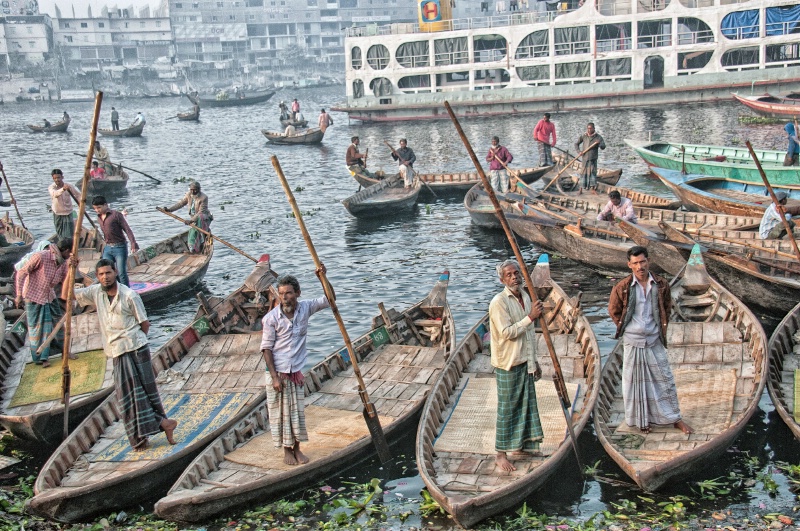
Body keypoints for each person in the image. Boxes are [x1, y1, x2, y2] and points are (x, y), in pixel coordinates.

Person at [70, 258, 178, 451]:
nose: (105, 277)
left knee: (147, 394)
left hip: (136, 348)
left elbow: (144, 324)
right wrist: (70, 268)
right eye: (101, 274)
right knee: (128, 399)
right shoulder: (95, 293)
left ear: (116, 273)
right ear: (97, 276)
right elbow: (67, 295)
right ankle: (161, 425)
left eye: (108, 273)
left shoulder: (129, 295)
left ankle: (151, 432)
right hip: (117, 351)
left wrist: (134, 344)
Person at [608, 246, 693, 435]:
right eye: (635, 263)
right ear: (629, 265)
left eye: (643, 262)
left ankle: (674, 418)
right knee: (635, 383)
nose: (640, 266)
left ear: (648, 261)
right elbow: (614, 311)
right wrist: (629, 328)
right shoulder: (622, 287)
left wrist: (657, 328)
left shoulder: (661, 284)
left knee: (665, 380)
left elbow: (666, 308)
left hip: (654, 339)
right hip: (633, 341)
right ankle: (642, 421)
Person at [260, 268, 330, 465]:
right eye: (281, 294)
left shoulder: (305, 308)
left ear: (297, 293)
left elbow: (329, 298)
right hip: (278, 373)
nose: (285, 298)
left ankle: (297, 448)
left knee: (297, 413)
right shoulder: (271, 319)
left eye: (289, 293)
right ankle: (286, 451)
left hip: (295, 372)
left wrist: (322, 277)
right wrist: (274, 377)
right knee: (281, 414)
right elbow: (266, 349)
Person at [488, 259, 544, 472]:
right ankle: (500, 454)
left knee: (526, 405)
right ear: (502, 279)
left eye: (516, 273)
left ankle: (521, 445)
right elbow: (506, 333)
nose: (514, 277)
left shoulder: (525, 296)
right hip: (508, 363)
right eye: (509, 275)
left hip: (524, 359)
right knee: (507, 408)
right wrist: (531, 317)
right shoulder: (499, 302)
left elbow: (529, 333)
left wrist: (534, 361)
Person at [15, 238, 73, 367]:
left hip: (49, 296)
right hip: (33, 295)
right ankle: (41, 358)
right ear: (67, 250)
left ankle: (65, 351)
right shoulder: (41, 256)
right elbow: (21, 273)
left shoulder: (63, 262)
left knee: (58, 323)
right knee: (38, 328)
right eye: (71, 253)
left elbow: (66, 279)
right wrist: (18, 295)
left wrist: (73, 267)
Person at [93, 195, 139, 287]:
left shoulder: (116, 215)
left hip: (120, 247)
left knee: (121, 272)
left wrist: (133, 243)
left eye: (99, 207)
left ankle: (126, 291)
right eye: (95, 208)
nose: (97, 210)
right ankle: (113, 289)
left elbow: (127, 230)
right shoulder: (99, 218)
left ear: (105, 205)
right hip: (108, 248)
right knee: (107, 270)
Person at [162, 181, 212, 253]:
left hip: (203, 218)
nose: (193, 191)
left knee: (194, 230)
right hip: (194, 219)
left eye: (195, 189)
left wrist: (191, 221)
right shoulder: (189, 195)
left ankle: (194, 249)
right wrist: (170, 210)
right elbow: (181, 203)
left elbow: (201, 212)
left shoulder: (204, 198)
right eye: (191, 189)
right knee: (194, 231)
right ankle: (194, 248)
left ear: (199, 189)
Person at [49, 169, 80, 241]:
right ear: (53, 178)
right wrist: (63, 189)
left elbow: (78, 195)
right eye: (55, 178)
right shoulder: (51, 187)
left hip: (68, 213)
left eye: (58, 177)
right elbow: (55, 194)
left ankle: (70, 246)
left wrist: (80, 203)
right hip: (57, 213)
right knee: (60, 234)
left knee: (69, 234)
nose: (57, 180)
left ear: (62, 177)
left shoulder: (69, 186)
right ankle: (63, 246)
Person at [575, 122, 606, 191]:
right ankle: (581, 189)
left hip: (593, 159)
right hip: (585, 158)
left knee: (592, 173)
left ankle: (593, 189)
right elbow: (576, 144)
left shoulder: (598, 137)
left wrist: (599, 143)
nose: (589, 130)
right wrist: (579, 152)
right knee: (583, 173)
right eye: (588, 128)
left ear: (594, 128)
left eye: (590, 128)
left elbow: (603, 147)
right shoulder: (584, 136)